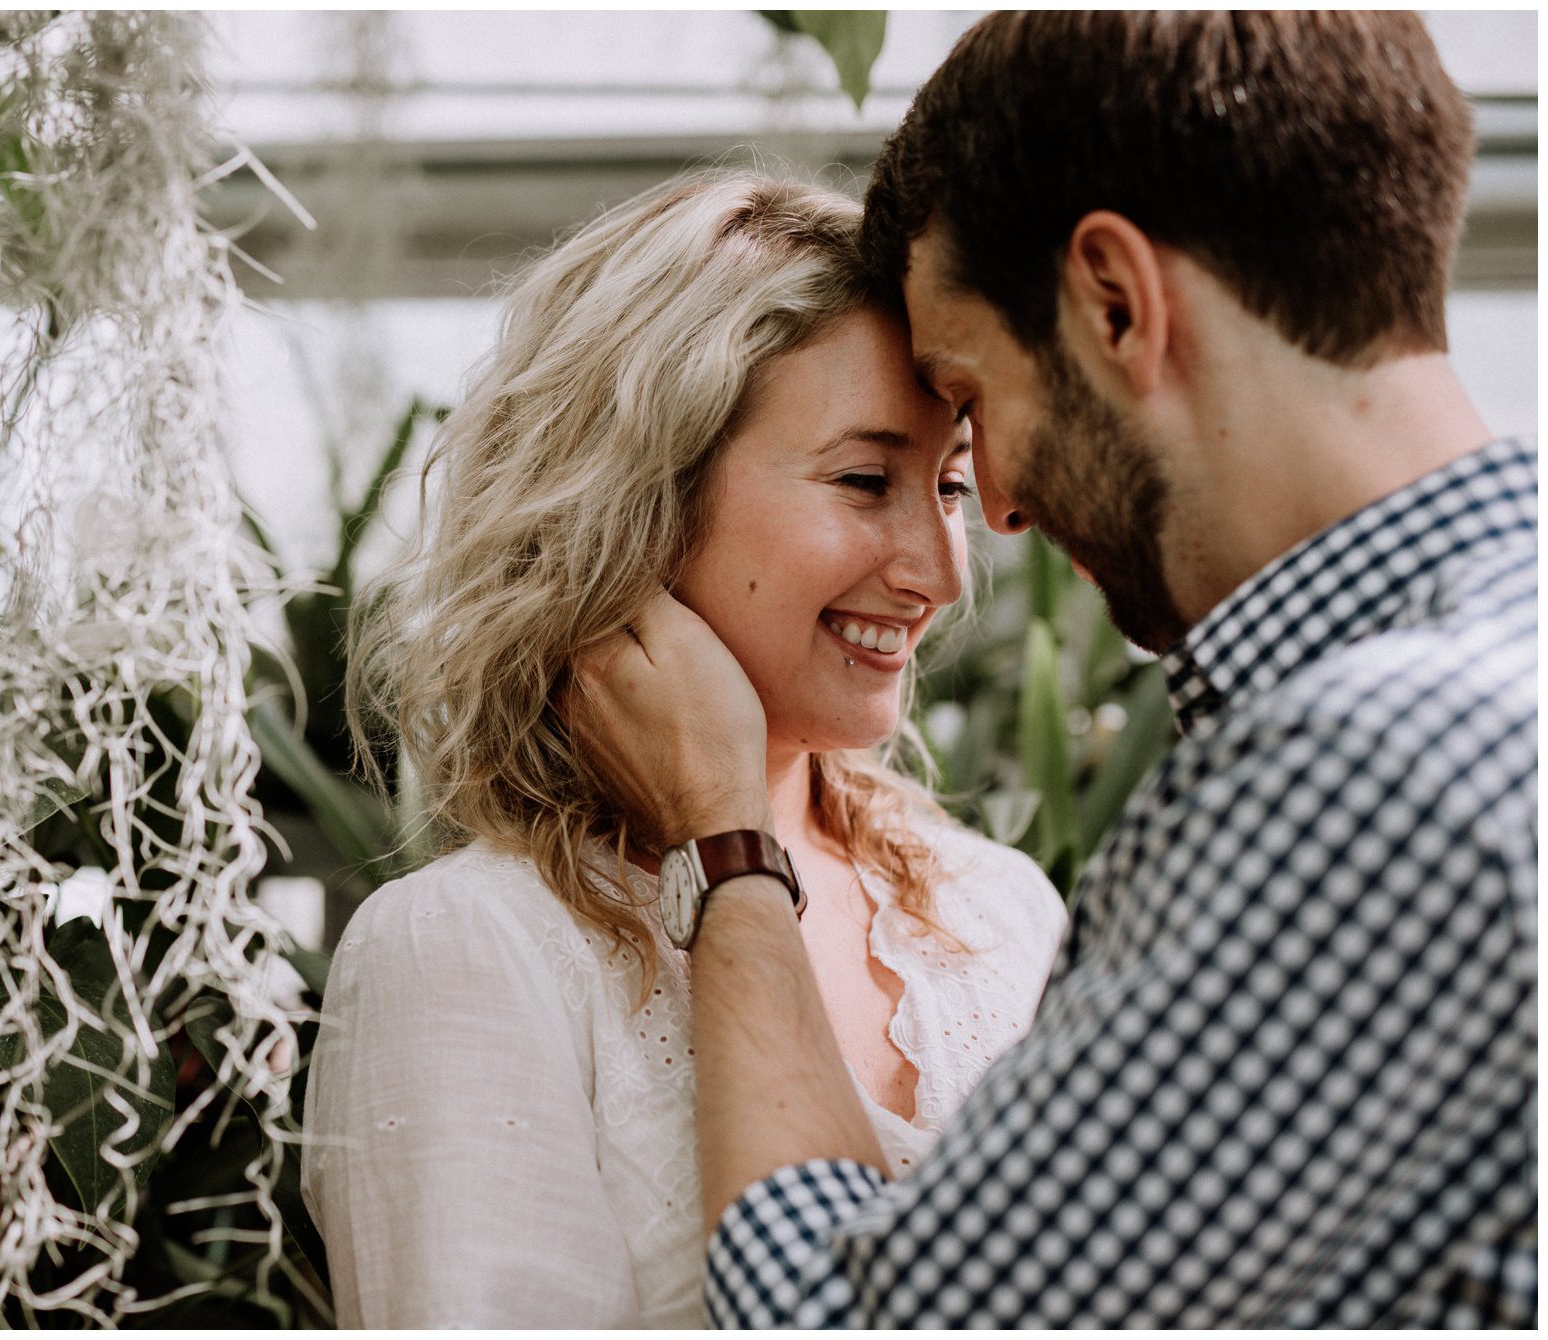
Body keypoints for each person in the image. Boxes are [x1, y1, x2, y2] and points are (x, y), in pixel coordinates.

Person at [570, 11, 1536, 1328]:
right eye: (870, 476)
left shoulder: (1368, 775)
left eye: (971, 406)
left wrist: (727, 846)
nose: (998, 514)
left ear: (1115, 302)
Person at [299, 172, 1068, 1327]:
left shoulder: (998, 911)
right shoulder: (470, 945)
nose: (938, 569)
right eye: (864, 480)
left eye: (949, 486)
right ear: (636, 502)